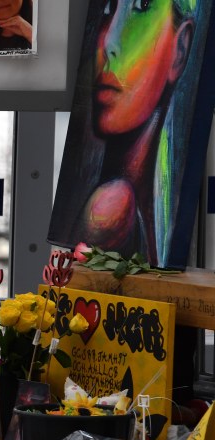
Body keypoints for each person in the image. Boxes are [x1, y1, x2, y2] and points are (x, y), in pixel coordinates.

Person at [68, 0, 198, 265]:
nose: (109, 44)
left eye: (141, 5)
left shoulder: (117, 206)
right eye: (107, 9)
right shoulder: (112, 204)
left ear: (180, 49)